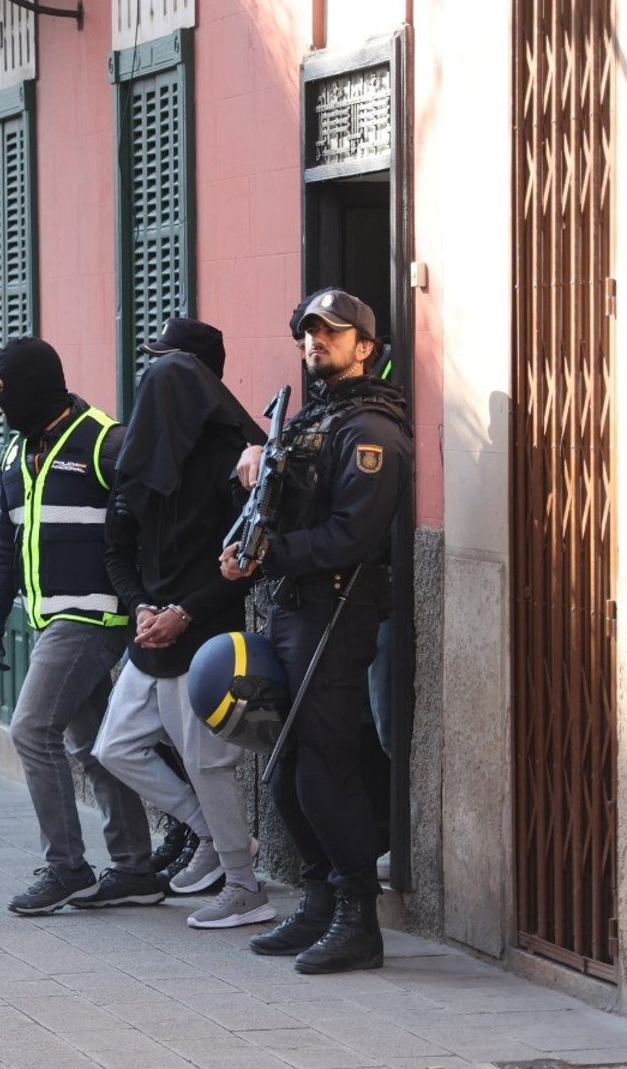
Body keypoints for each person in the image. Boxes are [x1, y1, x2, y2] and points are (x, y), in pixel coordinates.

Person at [219, 289, 412, 974]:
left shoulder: (371, 431)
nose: (316, 341)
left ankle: (360, 921)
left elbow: (350, 537)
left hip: (335, 610)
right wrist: (249, 489)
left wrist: (270, 554)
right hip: (292, 607)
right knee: (285, 767)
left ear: (366, 346)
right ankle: (320, 900)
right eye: (308, 332)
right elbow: (283, 504)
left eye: (331, 332)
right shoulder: (312, 420)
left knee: (324, 768)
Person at [0, 336, 161, 915]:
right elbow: (3, 546)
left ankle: (68, 869)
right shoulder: (15, 455)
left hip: (94, 616)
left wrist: (150, 604)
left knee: (31, 730)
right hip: (51, 618)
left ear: (41, 392)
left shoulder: (105, 441)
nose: (5, 410)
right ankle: (136, 869)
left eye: (11, 398)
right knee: (95, 745)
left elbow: (150, 528)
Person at [94, 317, 274, 930]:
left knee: (207, 762)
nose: (153, 383)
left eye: (169, 371)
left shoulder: (234, 462)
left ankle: (244, 886)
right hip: (150, 633)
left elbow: (244, 563)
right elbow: (117, 549)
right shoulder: (137, 455)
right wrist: (141, 607)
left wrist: (183, 612)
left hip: (203, 637)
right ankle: (213, 836)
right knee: (114, 746)